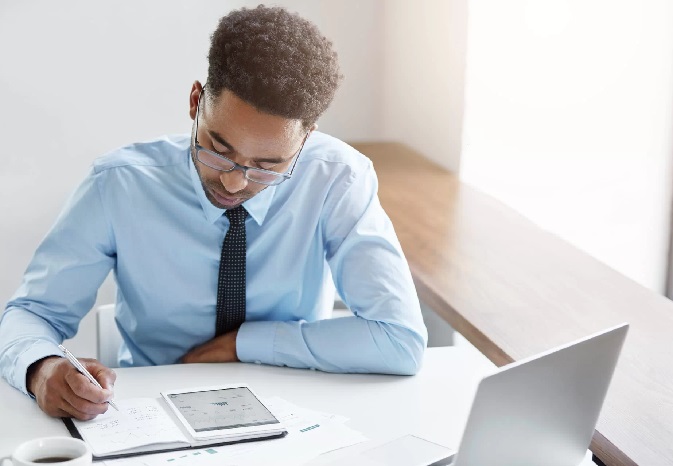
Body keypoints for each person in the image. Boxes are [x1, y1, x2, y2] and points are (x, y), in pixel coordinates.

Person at [0, 5, 427, 421]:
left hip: (295, 405)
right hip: (152, 406)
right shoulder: (118, 184)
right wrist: (41, 368)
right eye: (219, 150)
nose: (235, 183)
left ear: (305, 140)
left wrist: (243, 344)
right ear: (195, 101)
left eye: (268, 166)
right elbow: (32, 312)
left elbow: (400, 340)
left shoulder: (337, 179)